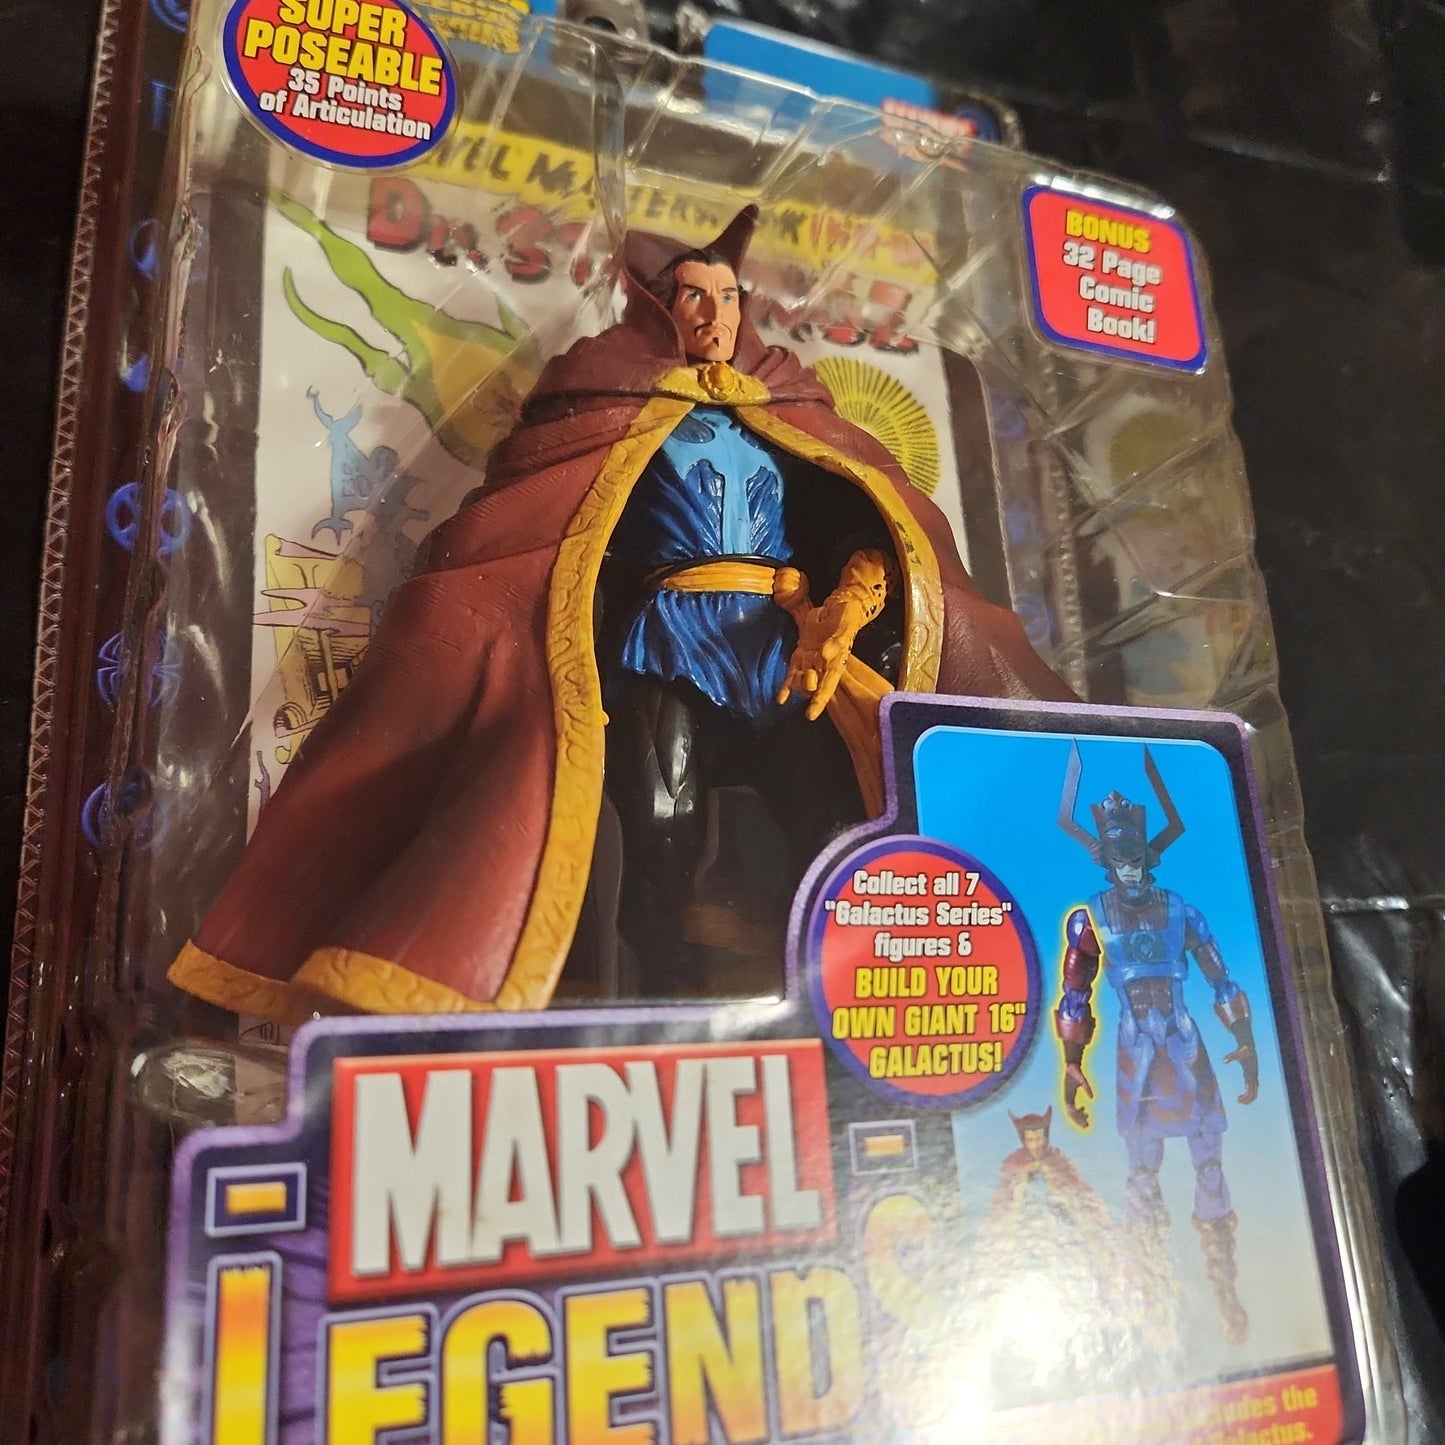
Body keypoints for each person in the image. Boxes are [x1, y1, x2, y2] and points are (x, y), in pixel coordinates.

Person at [168, 206, 1072, 1024]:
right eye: (694, 296)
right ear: (659, 308)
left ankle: (832, 993)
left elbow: (858, 521)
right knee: (656, 830)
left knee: (832, 813)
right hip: (662, 645)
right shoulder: (602, 401)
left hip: (779, 648)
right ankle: (654, 995)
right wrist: (556, 666)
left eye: (728, 296)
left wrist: (852, 601)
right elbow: (549, 537)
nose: (715, 314)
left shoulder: (790, 405)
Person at [1055, 744, 1258, 1344]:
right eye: (1117, 856)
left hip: (1184, 1043)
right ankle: (1153, 1301)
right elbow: (1075, 996)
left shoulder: (1181, 912)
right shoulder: (1090, 920)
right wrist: (1072, 1063)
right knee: (1142, 1176)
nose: (1128, 866)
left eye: (1134, 855)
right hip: (1134, 1052)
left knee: (1209, 1164)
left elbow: (1223, 979)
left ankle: (1225, 1291)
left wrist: (1245, 1042)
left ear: (1149, 854)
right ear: (1104, 858)